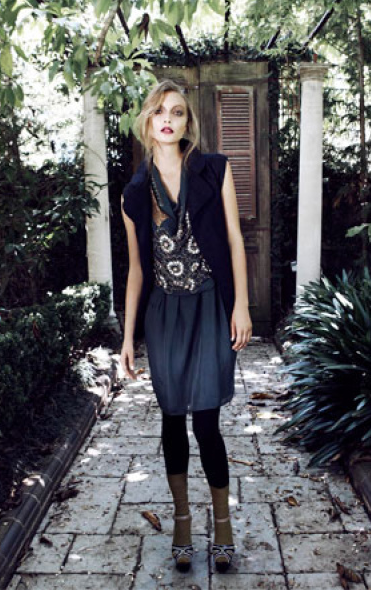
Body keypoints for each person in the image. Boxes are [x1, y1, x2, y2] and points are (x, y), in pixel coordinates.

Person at [119, 79, 252, 574]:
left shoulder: (213, 169)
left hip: (210, 307)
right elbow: (137, 269)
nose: (168, 119)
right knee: (172, 417)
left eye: (176, 111)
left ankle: (223, 526)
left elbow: (235, 240)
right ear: (147, 122)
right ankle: (181, 522)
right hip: (165, 314)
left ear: (187, 121)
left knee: (207, 421)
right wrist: (127, 336)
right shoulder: (134, 193)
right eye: (159, 112)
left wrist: (241, 305)